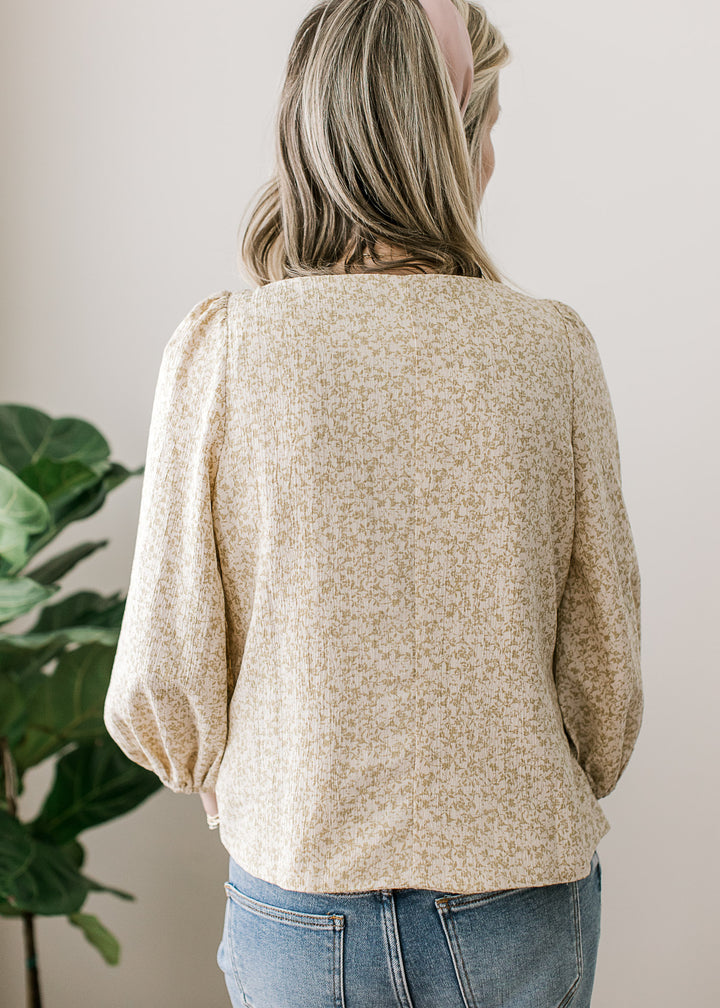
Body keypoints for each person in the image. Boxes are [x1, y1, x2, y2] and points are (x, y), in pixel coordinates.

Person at [102, 1, 643, 1005]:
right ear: (454, 139)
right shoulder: (551, 349)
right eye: (490, 129)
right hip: (519, 890)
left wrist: (229, 773)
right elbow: (603, 673)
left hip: (300, 886)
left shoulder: (225, 348)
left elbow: (164, 669)